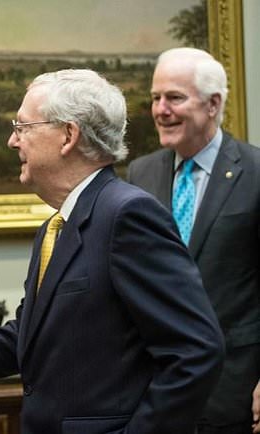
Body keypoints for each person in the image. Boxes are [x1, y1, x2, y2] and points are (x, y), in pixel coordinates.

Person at [0, 69, 225, 434]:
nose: (12, 141)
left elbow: (196, 352)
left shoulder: (127, 215)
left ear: (68, 135)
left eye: (23, 127)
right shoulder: (57, 225)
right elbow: (29, 336)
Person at [127, 47, 260, 434]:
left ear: (214, 104)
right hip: (153, 394)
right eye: (155, 98)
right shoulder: (141, 174)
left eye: (174, 98)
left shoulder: (255, 173)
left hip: (232, 392)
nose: (160, 110)